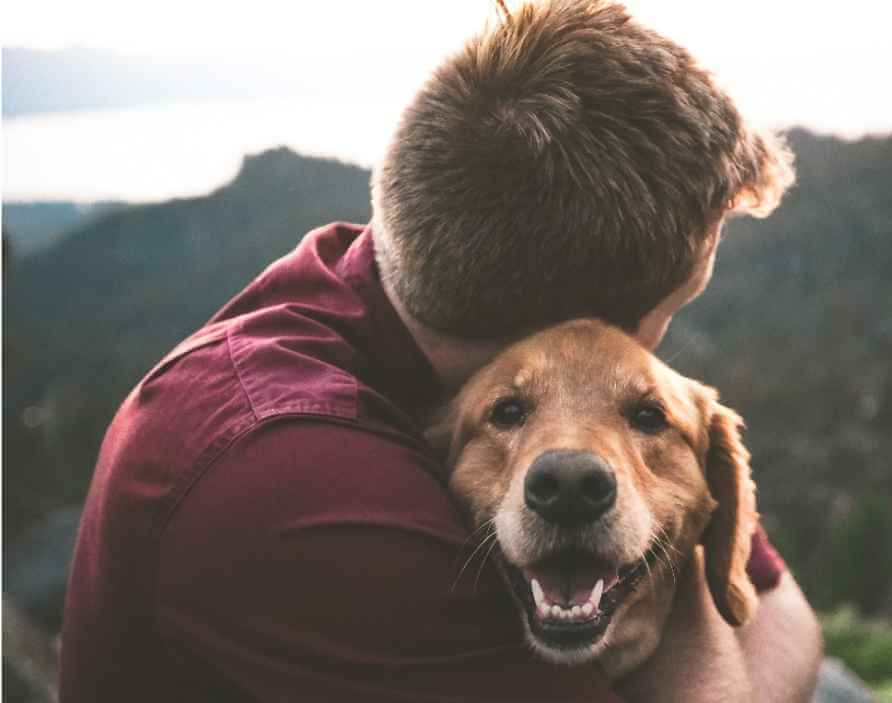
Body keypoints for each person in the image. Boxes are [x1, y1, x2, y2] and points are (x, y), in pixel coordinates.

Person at [59, 1, 821, 700]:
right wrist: (684, 585)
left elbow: (785, 613)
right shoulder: (297, 483)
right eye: (672, 309)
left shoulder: (400, 280)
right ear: (572, 329)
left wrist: (680, 549)